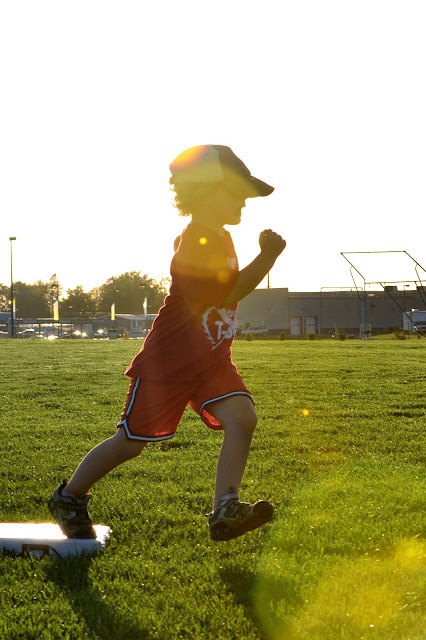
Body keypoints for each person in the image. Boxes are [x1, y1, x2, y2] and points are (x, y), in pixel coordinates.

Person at [49, 144, 286, 542]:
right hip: (169, 364)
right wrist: (267, 258)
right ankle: (70, 497)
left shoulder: (219, 237)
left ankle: (226, 507)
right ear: (207, 191)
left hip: (211, 361)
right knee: (130, 443)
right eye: (238, 193)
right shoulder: (198, 240)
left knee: (243, 418)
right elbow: (227, 293)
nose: (245, 202)